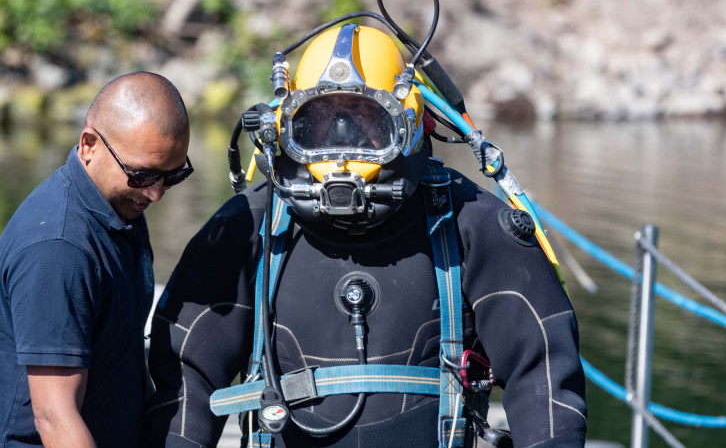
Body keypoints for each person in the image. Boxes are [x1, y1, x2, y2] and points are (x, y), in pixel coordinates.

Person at [145, 25, 587, 447]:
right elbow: (185, 373)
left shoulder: (472, 225)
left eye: (365, 123)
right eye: (317, 124)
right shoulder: (247, 230)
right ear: (283, 125)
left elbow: (543, 372)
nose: (341, 144)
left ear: (413, 124)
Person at [0, 71, 193, 447]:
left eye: (174, 176)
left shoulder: (121, 208)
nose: (156, 194)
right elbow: (55, 417)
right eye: (142, 175)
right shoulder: (58, 248)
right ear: (89, 144)